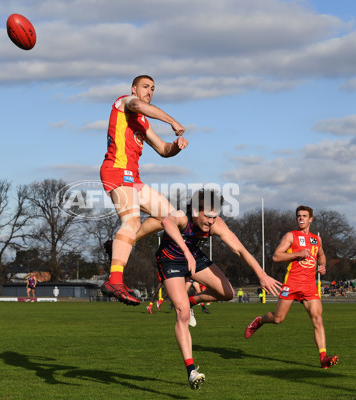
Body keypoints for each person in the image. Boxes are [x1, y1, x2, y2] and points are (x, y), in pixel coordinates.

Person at [157, 189, 282, 390]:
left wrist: (262, 274)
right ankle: (191, 371)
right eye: (208, 215)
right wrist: (186, 251)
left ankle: (192, 302)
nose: (211, 221)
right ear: (196, 211)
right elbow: (166, 223)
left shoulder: (216, 224)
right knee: (181, 314)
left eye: (215, 216)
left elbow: (240, 249)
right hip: (170, 258)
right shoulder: (183, 216)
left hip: (193, 257)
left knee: (228, 294)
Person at [100, 75, 188, 306]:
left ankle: (118, 245)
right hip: (116, 171)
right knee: (131, 221)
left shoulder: (143, 122)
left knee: (174, 218)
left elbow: (163, 149)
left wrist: (176, 147)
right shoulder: (125, 102)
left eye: (153, 89)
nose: (149, 91)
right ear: (133, 89)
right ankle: (114, 281)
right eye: (145, 87)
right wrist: (172, 121)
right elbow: (139, 105)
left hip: (135, 179)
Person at [244, 205, 339, 370]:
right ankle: (259, 321)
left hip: (309, 285)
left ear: (310, 219)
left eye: (304, 216)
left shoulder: (317, 239)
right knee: (278, 319)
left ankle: (323, 358)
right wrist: (297, 254)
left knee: (317, 320)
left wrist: (323, 266)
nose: (300, 218)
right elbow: (276, 256)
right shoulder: (290, 236)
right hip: (292, 283)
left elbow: (321, 255)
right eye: (298, 216)